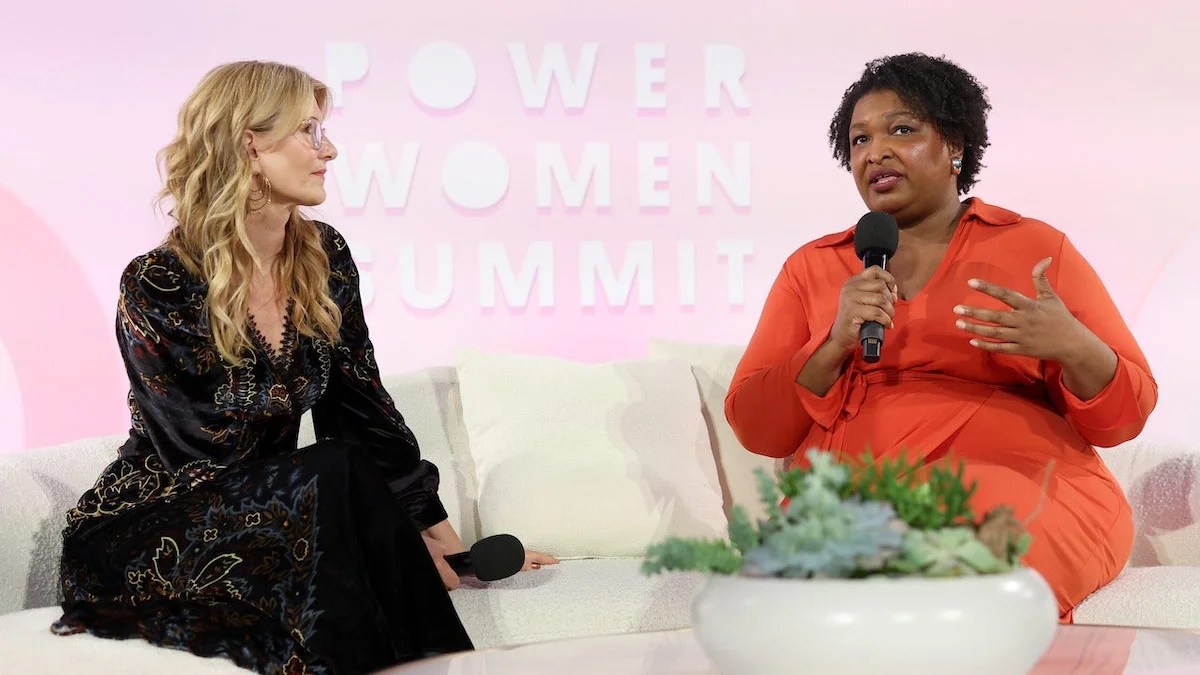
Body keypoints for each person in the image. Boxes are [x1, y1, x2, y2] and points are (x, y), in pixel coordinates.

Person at [52, 60, 557, 674]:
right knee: (335, 469)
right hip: (153, 530)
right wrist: (382, 541)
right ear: (250, 145)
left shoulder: (324, 257)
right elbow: (201, 454)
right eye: (310, 132)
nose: (331, 149)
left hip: (278, 520)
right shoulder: (160, 282)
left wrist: (444, 545)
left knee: (344, 464)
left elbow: (362, 409)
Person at [724, 53, 1156, 621]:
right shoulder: (814, 267)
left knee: (975, 583)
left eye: (901, 129)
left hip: (1024, 483)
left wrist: (1072, 344)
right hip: (855, 498)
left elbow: (1122, 418)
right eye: (858, 141)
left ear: (955, 145)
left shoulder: (1035, 248)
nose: (874, 151)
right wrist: (830, 345)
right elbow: (758, 427)